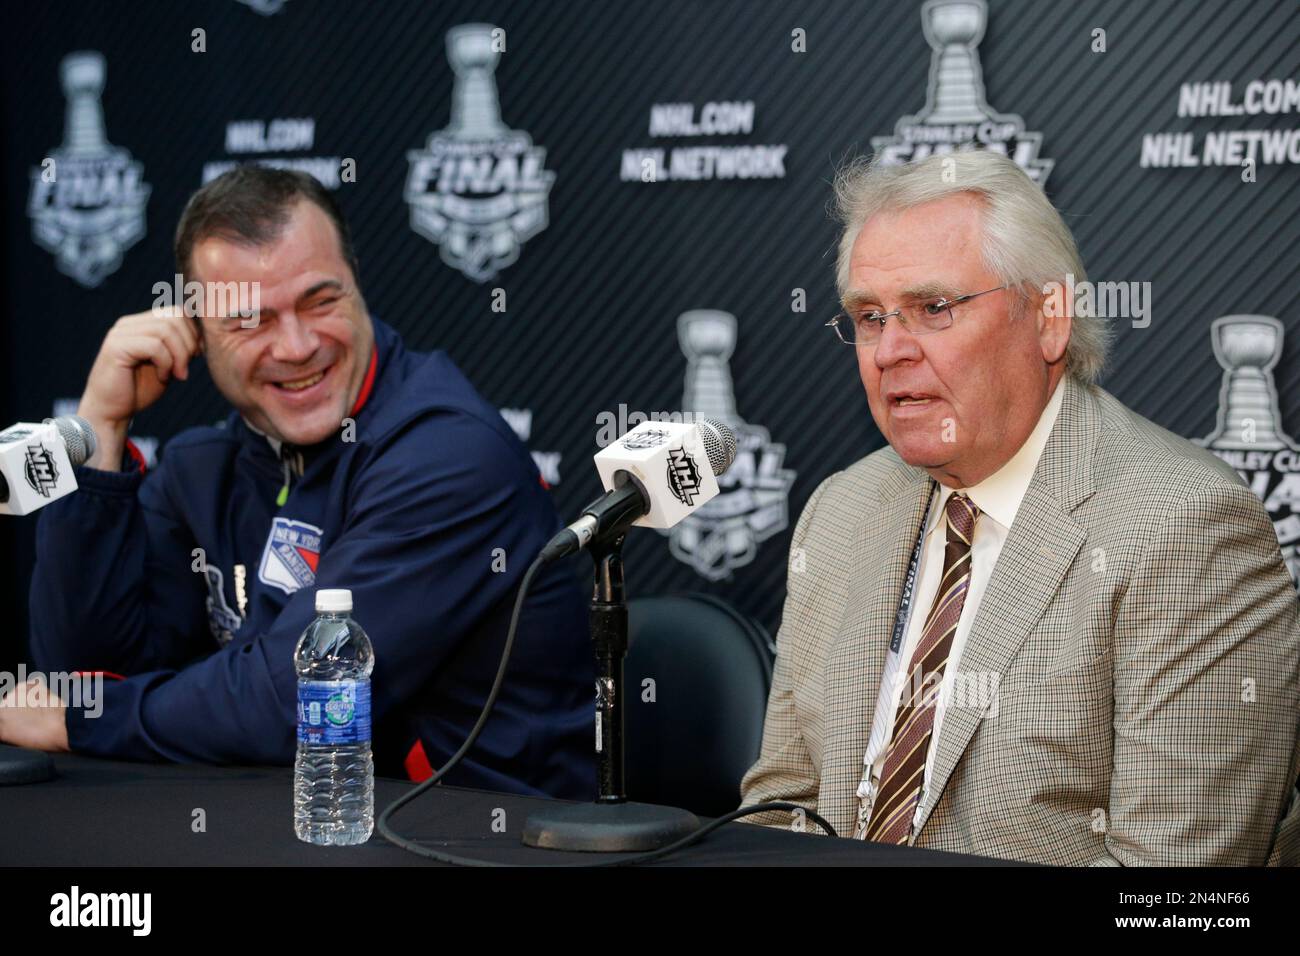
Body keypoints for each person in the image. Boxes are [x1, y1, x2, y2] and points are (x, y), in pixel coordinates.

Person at [740, 149, 1300, 865]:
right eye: (870, 317)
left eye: (933, 308)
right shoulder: (844, 508)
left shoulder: (1185, 527)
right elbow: (782, 802)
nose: (889, 352)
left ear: (1049, 319)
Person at [1, 166, 595, 799]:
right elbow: (84, 672)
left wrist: (83, 716)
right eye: (251, 320)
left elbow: (300, 702)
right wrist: (101, 424)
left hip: (494, 838)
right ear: (197, 335)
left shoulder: (448, 455)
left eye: (320, 300)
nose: (297, 345)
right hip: (313, 826)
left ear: (357, 288)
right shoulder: (205, 467)